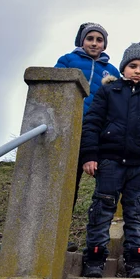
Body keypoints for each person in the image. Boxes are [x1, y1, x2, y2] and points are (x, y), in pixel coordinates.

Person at [79, 41, 140, 278]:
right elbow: (92, 123)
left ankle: (135, 260)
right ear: (123, 67)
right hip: (109, 161)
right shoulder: (109, 91)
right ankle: (95, 259)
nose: (138, 70)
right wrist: (90, 155)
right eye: (133, 65)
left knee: (137, 212)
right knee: (102, 210)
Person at [55, 22, 121, 252]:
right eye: (90, 38)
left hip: (98, 133)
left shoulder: (111, 70)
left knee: (106, 186)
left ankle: (99, 239)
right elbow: (56, 87)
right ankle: (59, 236)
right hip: (70, 127)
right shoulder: (68, 60)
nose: (94, 43)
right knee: (67, 184)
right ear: (82, 40)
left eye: (99, 39)